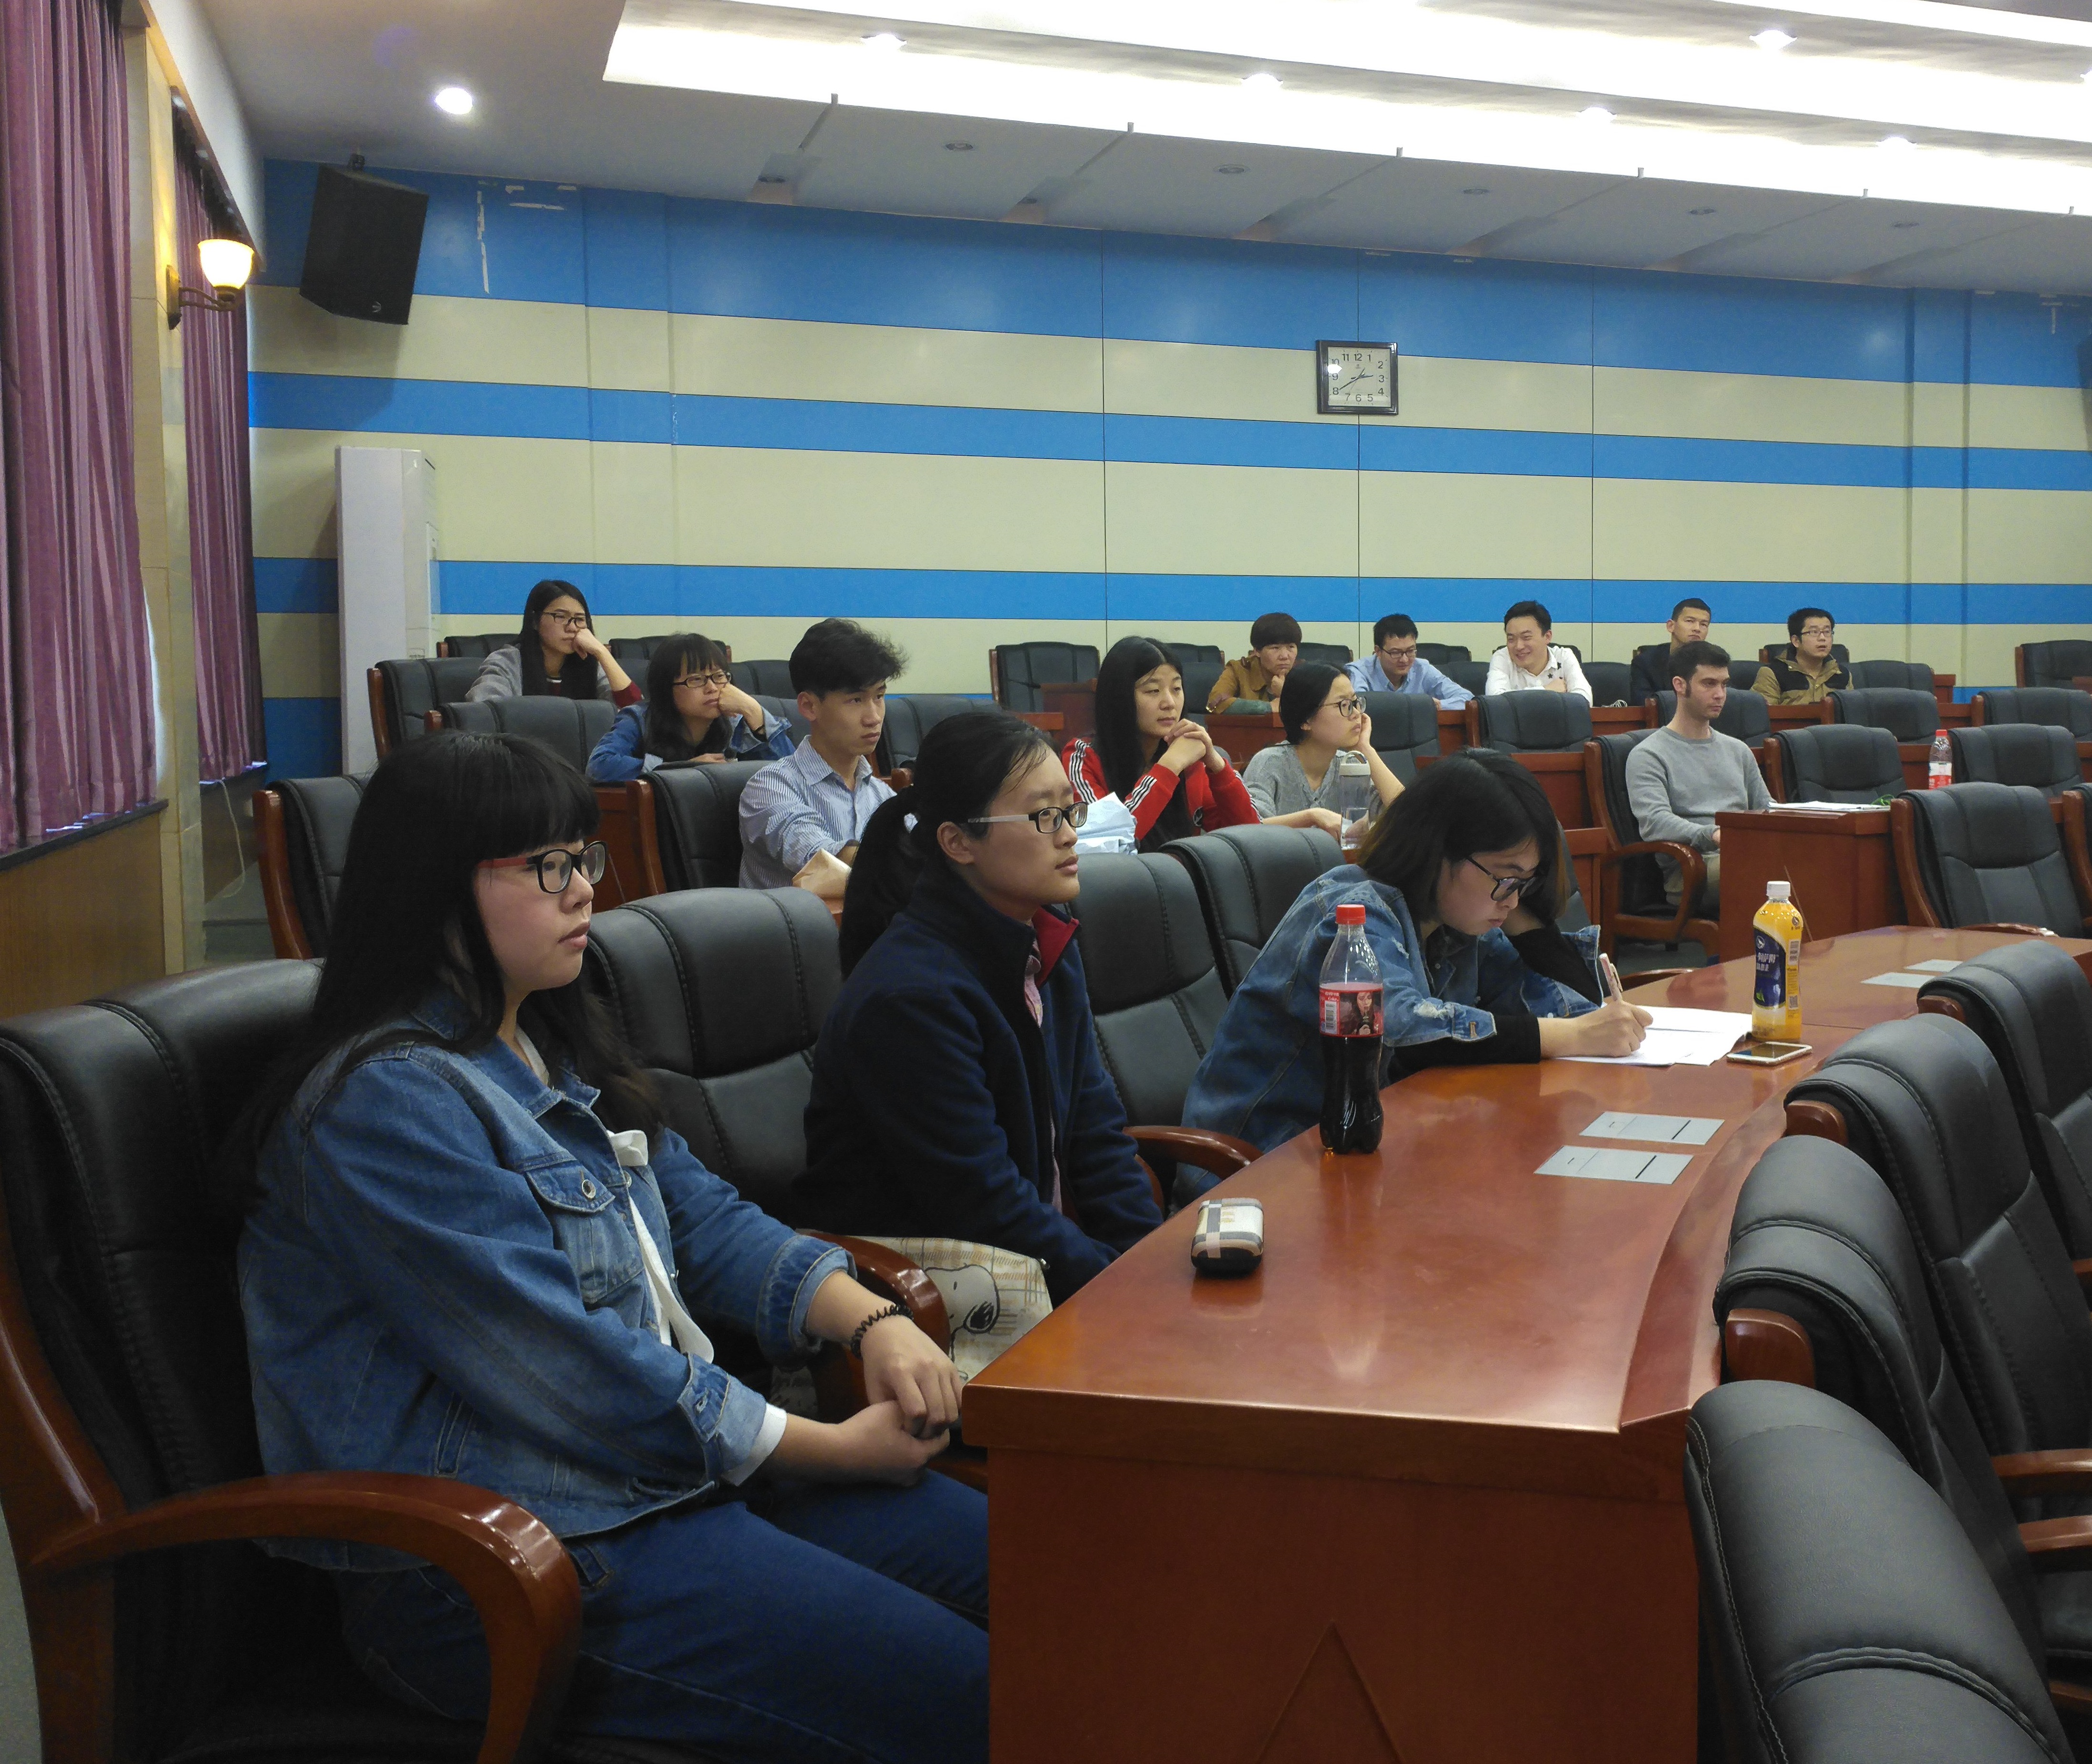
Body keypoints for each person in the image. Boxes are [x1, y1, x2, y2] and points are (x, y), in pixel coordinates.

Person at [236, 731, 987, 1762]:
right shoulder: (385, 1100)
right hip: (503, 1563)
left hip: (661, 1484)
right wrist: (823, 1447)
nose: (585, 887)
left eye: (582, 856)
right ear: (432, 886)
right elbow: (564, 1365)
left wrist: (871, 1318)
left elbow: (702, 1217)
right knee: (973, 1694)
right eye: (547, 865)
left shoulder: (539, 1038)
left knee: (1043, 1569)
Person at [797, 712, 1164, 1305]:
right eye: (1044, 816)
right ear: (958, 842)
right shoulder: (910, 997)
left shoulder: (1047, 940)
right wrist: (1123, 1290)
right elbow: (983, 1205)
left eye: (1070, 809)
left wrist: (1151, 1261)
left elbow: (1095, 1132)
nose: (1069, 834)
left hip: (1044, 1270)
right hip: (933, 1304)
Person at [1182, 749, 1649, 1153]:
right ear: (1437, 851)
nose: (1511, 899)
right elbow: (1405, 1032)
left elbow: (1572, 1003)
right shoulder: (1352, 914)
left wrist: (1515, 902)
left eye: (1523, 883)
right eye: (1505, 877)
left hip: (1373, 1142)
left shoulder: (1456, 923)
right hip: (1268, 1159)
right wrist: (1572, 1035)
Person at [738, 618, 902, 891]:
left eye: (879, 697)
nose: (874, 718)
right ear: (809, 706)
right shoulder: (770, 786)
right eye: (856, 700)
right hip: (796, 922)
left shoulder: (882, 795)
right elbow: (823, 859)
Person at [1065, 635, 1258, 853]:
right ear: (1119, 697)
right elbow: (1106, 844)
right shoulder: (1082, 757)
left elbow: (1250, 837)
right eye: (1153, 691)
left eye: (1176, 689)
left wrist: (1217, 765)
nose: (1170, 703)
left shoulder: (1191, 762)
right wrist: (1169, 766)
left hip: (1181, 873)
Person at [1624, 640, 1770, 914]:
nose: (1720, 695)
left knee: (1813, 859)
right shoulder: (1649, 754)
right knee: (1768, 871)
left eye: (1724, 685)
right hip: (1692, 869)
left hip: (1743, 854)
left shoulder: (1738, 750)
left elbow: (1767, 809)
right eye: (1709, 684)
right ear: (1680, 685)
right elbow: (1655, 822)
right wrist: (1712, 834)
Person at [586, 632, 794, 783]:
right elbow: (600, 766)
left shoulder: (736, 720)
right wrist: (683, 769)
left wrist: (753, 710)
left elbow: (792, 775)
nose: (712, 688)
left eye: (719, 676)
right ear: (666, 688)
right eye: (696, 679)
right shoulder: (639, 719)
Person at [1241, 664, 1404, 836]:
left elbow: (1407, 815)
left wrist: (1365, 749)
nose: (1357, 714)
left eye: (1356, 703)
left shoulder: (1351, 764)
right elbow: (1252, 829)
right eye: (1344, 705)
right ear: (1306, 720)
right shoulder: (1269, 763)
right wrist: (1312, 817)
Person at [466, 578, 642, 708]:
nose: (572, 627)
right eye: (560, 616)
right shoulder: (506, 662)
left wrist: (602, 653)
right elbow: (486, 712)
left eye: (580, 619)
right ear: (535, 622)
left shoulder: (591, 664)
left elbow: (635, 713)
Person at [1345, 614, 1473, 707]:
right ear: (1378, 651)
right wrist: (1418, 705)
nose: (1405, 660)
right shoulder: (1359, 671)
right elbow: (1359, 704)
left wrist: (1438, 706)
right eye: (1396, 653)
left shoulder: (1422, 669)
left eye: (1411, 651)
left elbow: (1467, 698)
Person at [1485, 599, 1592, 702]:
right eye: (1511, 639)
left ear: (1547, 637)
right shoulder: (1503, 658)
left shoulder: (1564, 656)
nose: (1519, 646)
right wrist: (1546, 691)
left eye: (1526, 637)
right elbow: (1495, 701)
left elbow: (1584, 700)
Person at [1207, 612, 1301, 713]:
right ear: (1257, 651)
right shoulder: (1239, 670)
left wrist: (1285, 694)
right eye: (1276, 648)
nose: (1285, 656)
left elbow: (1312, 711)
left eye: (1291, 647)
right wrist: (1269, 707)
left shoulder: (1304, 673)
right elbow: (1215, 703)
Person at [1754, 606, 1849, 705]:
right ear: (1796, 641)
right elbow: (1762, 712)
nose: (1822, 638)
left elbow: (1851, 711)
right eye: (1814, 632)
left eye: (1827, 632)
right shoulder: (1772, 674)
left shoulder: (1842, 674)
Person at [1627, 597, 1713, 707]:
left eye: (1704, 624)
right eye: (1690, 621)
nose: (1697, 628)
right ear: (1671, 626)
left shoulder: (1714, 663)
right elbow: (1644, 705)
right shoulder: (1645, 663)